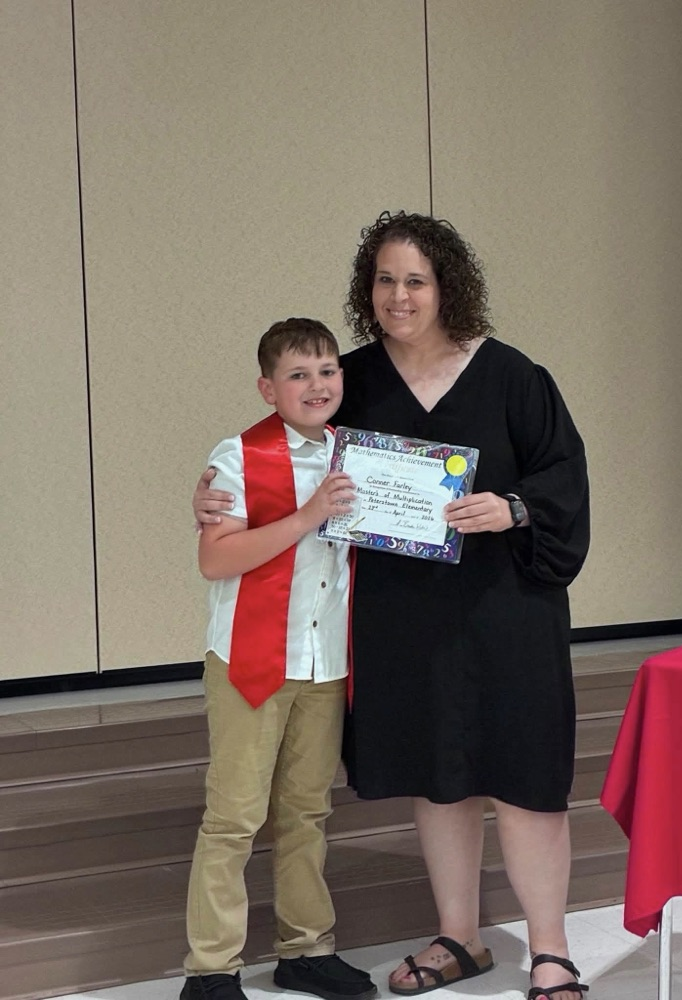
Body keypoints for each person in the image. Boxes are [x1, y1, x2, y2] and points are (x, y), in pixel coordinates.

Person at [193, 214, 591, 1000]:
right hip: (405, 618)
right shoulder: (352, 378)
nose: (399, 295)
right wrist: (216, 490)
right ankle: (460, 938)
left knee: (525, 778)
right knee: (437, 775)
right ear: (365, 290)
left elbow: (564, 482)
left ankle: (551, 951)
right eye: (384, 279)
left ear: (447, 285)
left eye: (416, 279)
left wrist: (510, 509)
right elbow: (279, 445)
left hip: (507, 610)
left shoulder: (514, 376)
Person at [182, 317, 376, 1000]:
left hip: (325, 663)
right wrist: (307, 514)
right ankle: (211, 968)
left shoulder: (360, 454)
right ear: (269, 387)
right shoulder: (236, 456)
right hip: (252, 661)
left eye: (327, 371)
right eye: (298, 374)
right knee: (233, 816)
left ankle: (306, 950)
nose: (316, 385)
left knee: (307, 813)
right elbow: (216, 557)